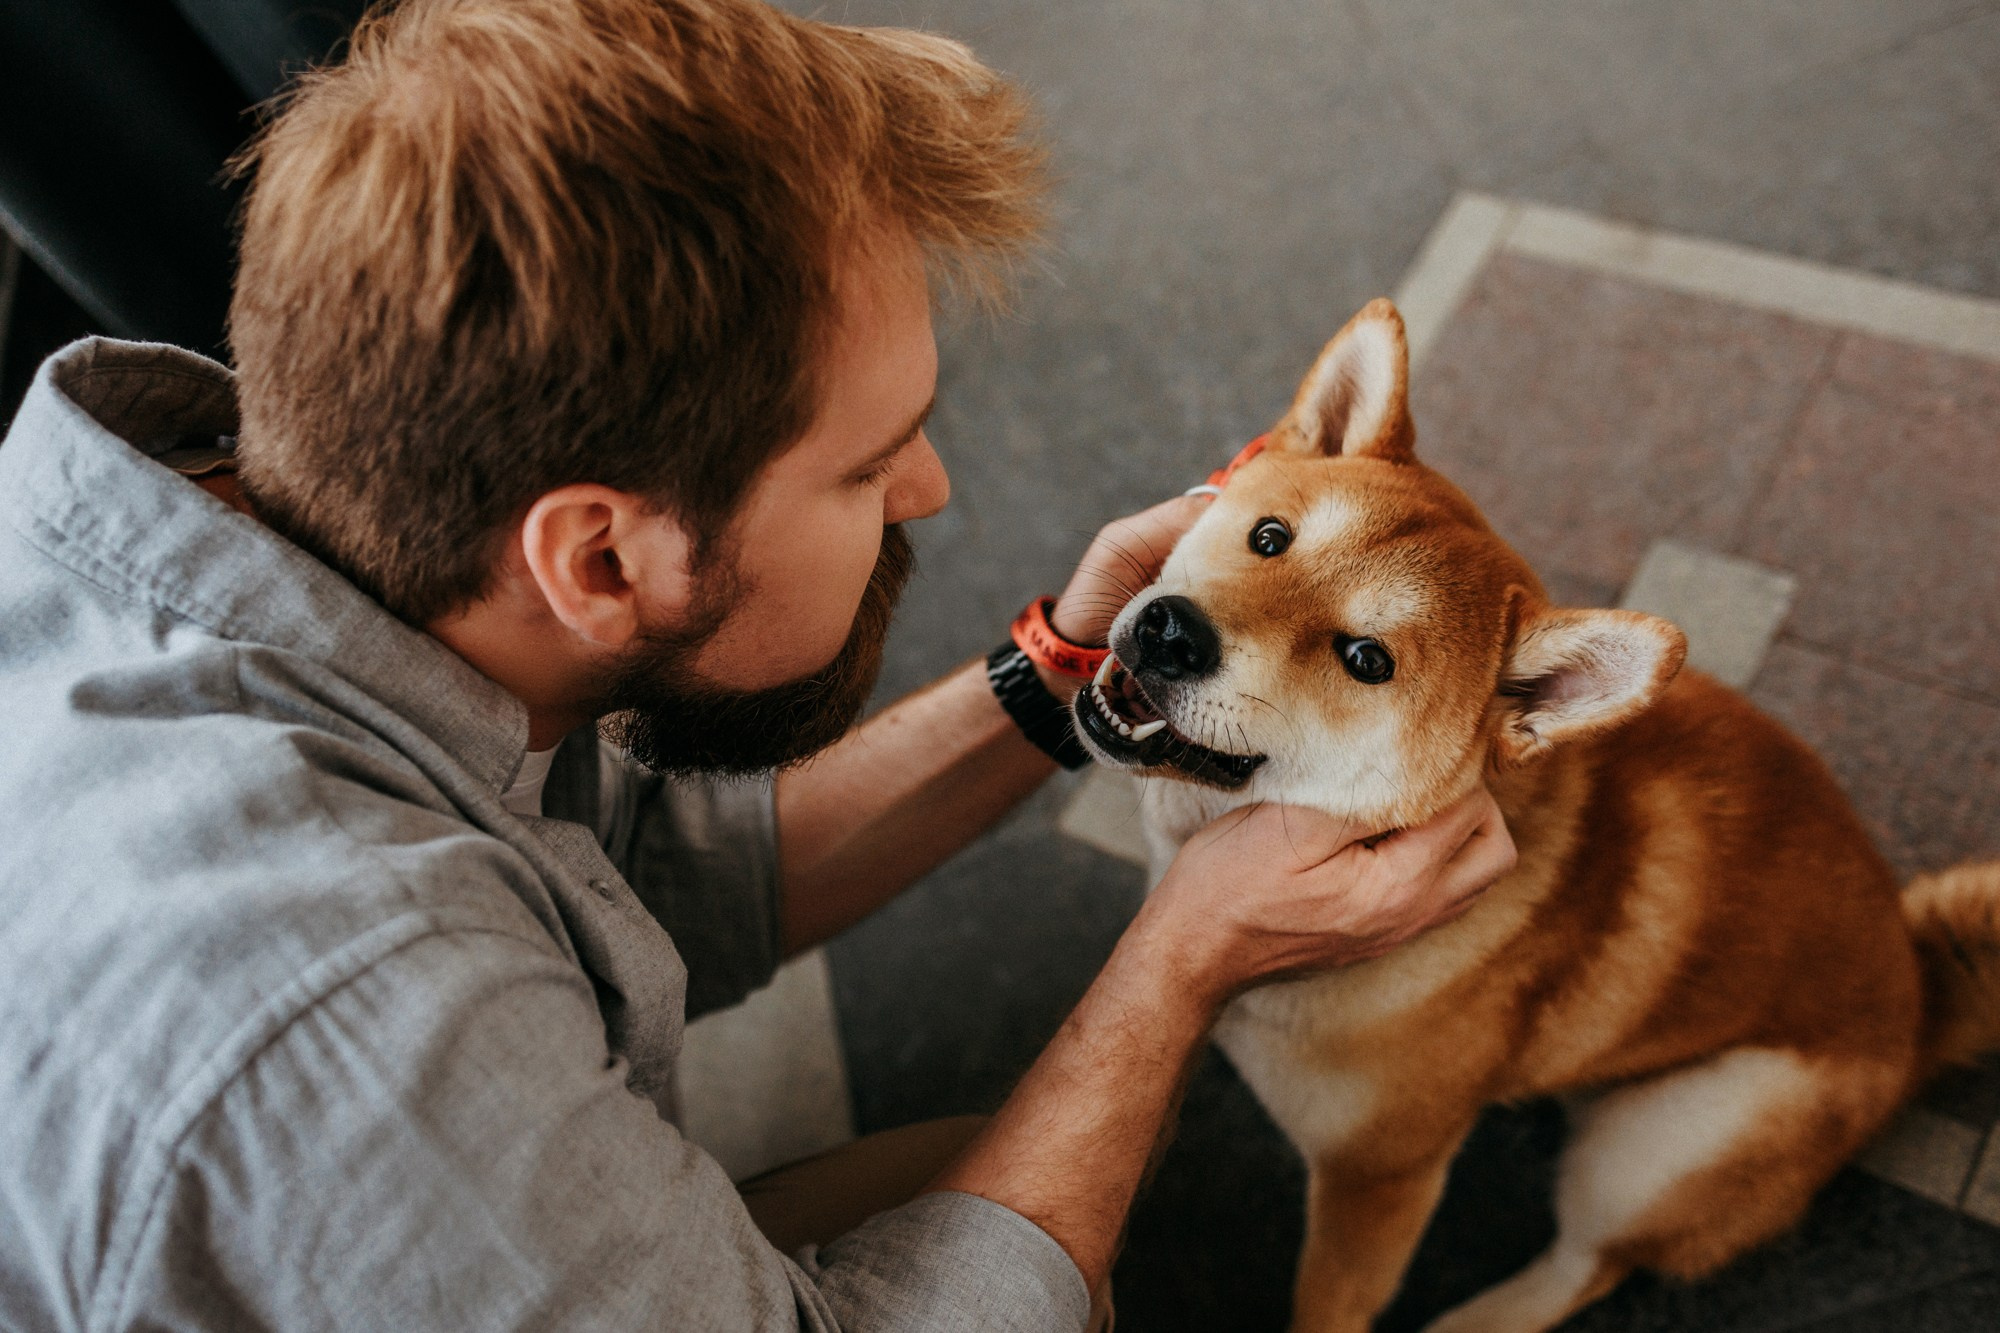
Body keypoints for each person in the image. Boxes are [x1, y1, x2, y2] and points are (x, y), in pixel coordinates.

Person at [0, 1, 1516, 1328]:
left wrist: (1059, 664)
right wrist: (1180, 958)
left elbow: (648, 864)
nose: (928, 489)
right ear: (600, 559)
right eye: (867, 466)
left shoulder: (316, 535)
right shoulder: (366, 1028)